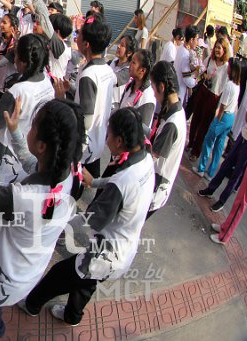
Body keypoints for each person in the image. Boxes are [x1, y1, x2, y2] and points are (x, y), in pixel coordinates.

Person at [0, 99, 84, 340]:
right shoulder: (70, 171)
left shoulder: (23, 197)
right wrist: (14, 131)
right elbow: (33, 163)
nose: (28, 129)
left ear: (42, 145)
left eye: (32, 127)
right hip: (25, 273)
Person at [22, 107, 155, 326]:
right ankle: (72, 316)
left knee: (60, 274)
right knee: (86, 280)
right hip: (126, 247)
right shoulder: (145, 159)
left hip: (107, 252)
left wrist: (56, 221)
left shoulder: (122, 183)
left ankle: (31, 305)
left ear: (119, 141)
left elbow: (89, 221)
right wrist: (94, 182)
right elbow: (119, 182)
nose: (106, 138)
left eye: (108, 134)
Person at [56, 14, 115, 178]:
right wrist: (72, 89)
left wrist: (61, 99)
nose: (76, 37)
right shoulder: (107, 70)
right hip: (98, 140)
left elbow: (86, 120)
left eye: (79, 34)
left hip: (84, 146)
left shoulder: (88, 74)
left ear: (86, 44)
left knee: (75, 184)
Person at [0, 34, 55, 185]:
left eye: (16, 56)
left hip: (11, 154)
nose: (14, 60)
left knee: (3, 192)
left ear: (23, 62)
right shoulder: (47, 82)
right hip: (34, 152)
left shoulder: (17, 91)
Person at [147, 61, 187, 217]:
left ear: (162, 87)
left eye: (153, 87)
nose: (153, 94)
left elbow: (152, 157)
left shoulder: (172, 124)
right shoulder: (176, 109)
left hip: (154, 189)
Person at [194, 58, 242, 179]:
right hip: (230, 117)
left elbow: (223, 105)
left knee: (208, 141)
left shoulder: (229, 85)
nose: (227, 69)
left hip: (223, 116)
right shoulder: (237, 85)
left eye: (229, 67)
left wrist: (217, 119)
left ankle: (201, 168)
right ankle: (210, 173)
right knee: (219, 146)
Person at [187, 39, 230, 159]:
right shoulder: (210, 60)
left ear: (224, 50)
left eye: (219, 48)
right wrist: (204, 75)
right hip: (203, 91)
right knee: (195, 119)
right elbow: (201, 69)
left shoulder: (226, 67)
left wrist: (220, 106)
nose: (217, 50)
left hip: (213, 97)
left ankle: (196, 151)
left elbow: (224, 87)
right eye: (216, 47)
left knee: (204, 125)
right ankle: (190, 143)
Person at [118, 49, 157, 132]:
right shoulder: (129, 86)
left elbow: (142, 131)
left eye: (133, 62)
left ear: (142, 70)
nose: (130, 65)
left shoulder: (147, 97)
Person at [175, 25, 199, 104]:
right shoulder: (186, 54)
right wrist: (197, 80)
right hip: (180, 91)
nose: (197, 42)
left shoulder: (181, 48)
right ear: (191, 40)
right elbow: (187, 79)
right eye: (197, 39)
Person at [109, 35, 136, 107]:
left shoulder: (128, 70)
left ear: (129, 53)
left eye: (122, 45)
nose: (118, 46)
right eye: (119, 43)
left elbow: (112, 79)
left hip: (114, 106)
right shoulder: (114, 61)